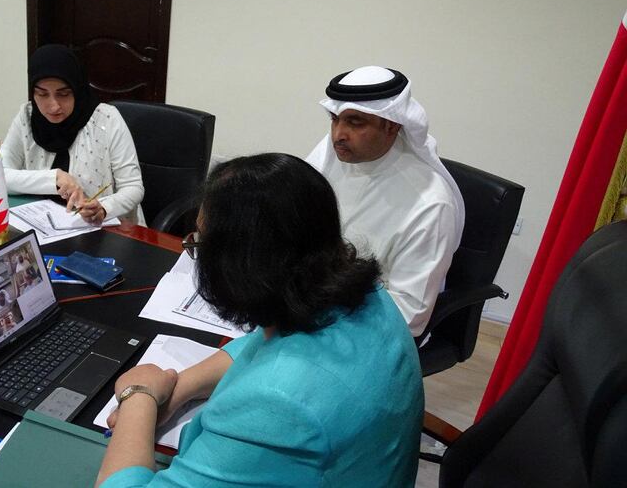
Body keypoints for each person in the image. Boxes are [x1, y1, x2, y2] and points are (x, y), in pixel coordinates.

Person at [96, 154, 423, 487]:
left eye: (201, 243)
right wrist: (181, 388)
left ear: (241, 267)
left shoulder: (277, 406)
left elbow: (278, 383)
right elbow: (264, 344)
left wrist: (139, 396)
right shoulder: (368, 298)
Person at [306, 65, 465, 337]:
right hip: (309, 298)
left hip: (366, 328)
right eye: (334, 119)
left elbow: (409, 314)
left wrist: (318, 309)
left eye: (355, 122)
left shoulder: (430, 205)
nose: (338, 134)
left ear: (391, 125)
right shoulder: (333, 155)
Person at [0, 44, 145, 225]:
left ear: (77, 89)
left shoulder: (106, 119)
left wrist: (104, 207)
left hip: (103, 229)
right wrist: (55, 178)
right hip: (43, 226)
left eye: (64, 94)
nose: (53, 106)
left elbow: (133, 187)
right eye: (42, 94)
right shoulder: (27, 116)